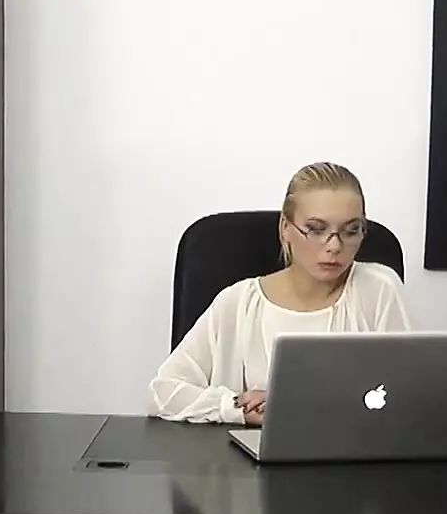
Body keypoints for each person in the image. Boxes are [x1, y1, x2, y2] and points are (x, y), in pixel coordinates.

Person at [149, 163, 412, 425]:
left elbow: (413, 394)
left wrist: (291, 404)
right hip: (253, 450)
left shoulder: (379, 289)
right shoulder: (238, 303)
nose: (334, 246)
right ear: (286, 228)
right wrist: (238, 408)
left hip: (353, 447)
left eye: (351, 231)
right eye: (316, 230)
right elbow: (162, 394)